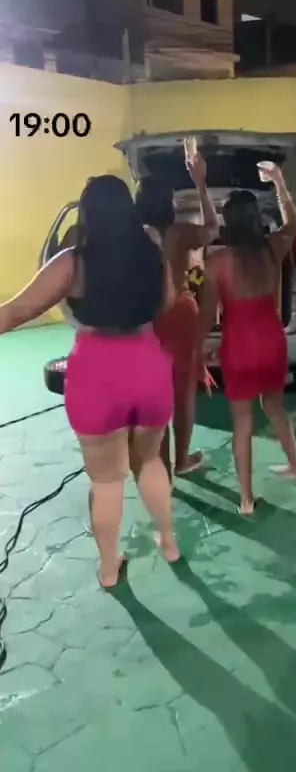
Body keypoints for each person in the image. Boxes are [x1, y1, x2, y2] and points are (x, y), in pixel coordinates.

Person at [0, 175, 179, 587]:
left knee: (106, 479)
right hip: (148, 364)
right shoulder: (152, 249)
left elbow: (14, 312)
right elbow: (169, 300)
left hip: (97, 372)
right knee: (150, 461)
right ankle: (169, 542)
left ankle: (109, 567)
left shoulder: (72, 262)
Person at [197, 165, 296, 515]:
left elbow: (207, 315)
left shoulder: (218, 261)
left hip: (240, 348)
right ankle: (295, 465)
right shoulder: (272, 247)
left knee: (242, 422)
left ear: (228, 222)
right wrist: (280, 182)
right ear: (257, 219)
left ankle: (245, 499)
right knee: (274, 406)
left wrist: (197, 351)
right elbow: (293, 224)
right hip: (272, 342)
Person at [135, 151, 219, 479]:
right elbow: (212, 228)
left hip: (146, 315)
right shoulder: (179, 233)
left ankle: (160, 466)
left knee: (154, 394)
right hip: (181, 315)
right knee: (183, 393)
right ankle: (182, 459)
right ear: (167, 203)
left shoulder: (135, 235)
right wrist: (201, 184)